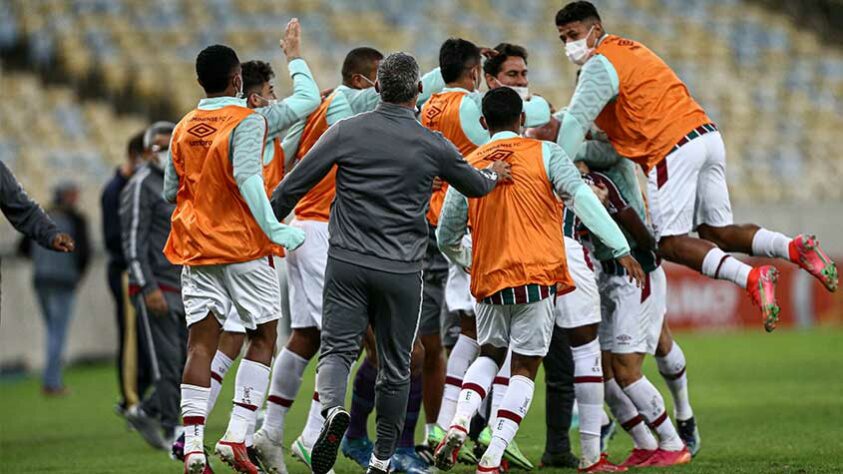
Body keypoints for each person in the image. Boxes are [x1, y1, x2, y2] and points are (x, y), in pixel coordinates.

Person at [270, 52, 509, 474]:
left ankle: (331, 413)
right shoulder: (433, 144)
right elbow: (475, 186)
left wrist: (267, 224)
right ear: (418, 92)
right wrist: (494, 172)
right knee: (397, 365)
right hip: (402, 269)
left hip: (346, 262)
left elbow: (294, 185)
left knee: (338, 350)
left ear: (377, 89)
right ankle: (382, 458)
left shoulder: (346, 131)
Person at [553, 1, 837, 332]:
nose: (569, 45)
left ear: (595, 30)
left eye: (573, 35)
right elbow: (613, 124)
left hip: (670, 147)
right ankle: (793, 246)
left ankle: (751, 276)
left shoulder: (598, 65)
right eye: (563, 39)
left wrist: (554, 167)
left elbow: (574, 122)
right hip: (706, 136)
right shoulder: (632, 51)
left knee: (669, 243)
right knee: (716, 233)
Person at [432, 87, 641, 473]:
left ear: (483, 123)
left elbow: (445, 233)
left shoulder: (471, 161)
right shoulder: (547, 154)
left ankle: (459, 423)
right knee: (525, 368)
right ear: (522, 120)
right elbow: (582, 199)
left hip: (490, 276)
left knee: (489, 354)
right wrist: (617, 246)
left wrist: (467, 259)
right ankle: (493, 455)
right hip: (537, 275)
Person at [164, 20, 311, 474]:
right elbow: (249, 179)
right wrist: (276, 229)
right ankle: (235, 436)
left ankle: (191, 447)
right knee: (264, 335)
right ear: (236, 81)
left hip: (194, 249)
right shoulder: (248, 121)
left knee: (199, 345)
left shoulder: (183, 126)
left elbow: (173, 187)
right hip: (243, 247)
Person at [253, 46, 385, 473]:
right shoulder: (352, 102)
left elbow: (289, 153)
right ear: (363, 80)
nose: (384, 87)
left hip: (308, 227)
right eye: (379, 78)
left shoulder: (323, 109)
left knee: (307, 336)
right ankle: (312, 437)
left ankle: (270, 433)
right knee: (346, 338)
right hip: (323, 229)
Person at [421, 38, 538, 470]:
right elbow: (491, 148)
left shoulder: (429, 102)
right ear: (477, 76)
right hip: (476, 230)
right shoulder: (471, 109)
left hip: (443, 228)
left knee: (468, 337)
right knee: (499, 340)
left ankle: (445, 428)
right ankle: (491, 432)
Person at [119, 121, 187, 451]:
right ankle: (174, 428)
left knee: (191, 360)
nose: (164, 153)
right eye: (158, 147)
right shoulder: (140, 185)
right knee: (168, 362)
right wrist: (146, 287)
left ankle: (145, 410)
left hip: (186, 281)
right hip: (158, 284)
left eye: (169, 145)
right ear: (147, 152)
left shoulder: (184, 181)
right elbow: (132, 243)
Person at [18, 181, 90, 396]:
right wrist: (77, 275)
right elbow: (84, 252)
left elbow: (22, 248)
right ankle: (52, 382)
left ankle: (51, 379)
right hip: (64, 281)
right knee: (57, 332)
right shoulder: (76, 220)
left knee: (52, 330)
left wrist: (41, 261)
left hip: (41, 279)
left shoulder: (42, 215)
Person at [101, 132, 148, 415]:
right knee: (130, 336)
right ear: (134, 156)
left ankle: (143, 393)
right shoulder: (115, 190)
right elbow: (113, 237)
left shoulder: (140, 185)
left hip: (145, 270)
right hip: (125, 271)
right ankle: (131, 399)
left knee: (146, 337)